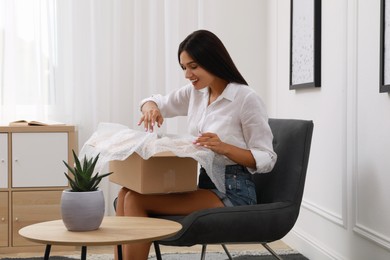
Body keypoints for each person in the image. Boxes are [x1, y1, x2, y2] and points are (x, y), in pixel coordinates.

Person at [115, 29, 277, 260]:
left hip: (234, 191)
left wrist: (225, 147)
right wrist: (150, 108)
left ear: (213, 61)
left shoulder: (245, 99)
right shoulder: (196, 94)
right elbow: (155, 100)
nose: (187, 74)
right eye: (184, 68)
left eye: (193, 66)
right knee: (124, 193)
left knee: (135, 200)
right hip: (206, 184)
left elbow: (267, 159)